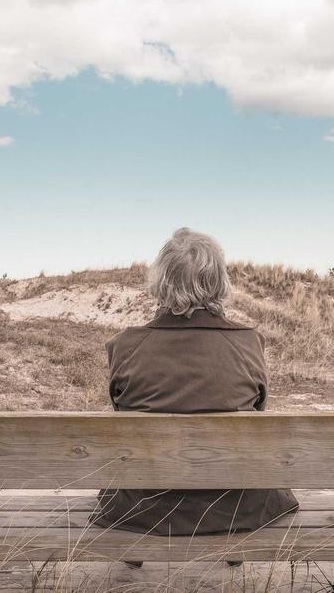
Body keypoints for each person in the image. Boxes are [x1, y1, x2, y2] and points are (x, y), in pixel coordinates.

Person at [89, 228, 299, 541]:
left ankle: (134, 557)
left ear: (161, 281)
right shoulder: (248, 344)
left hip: (145, 510)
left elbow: (121, 412)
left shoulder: (125, 346)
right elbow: (257, 412)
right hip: (236, 506)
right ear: (219, 281)